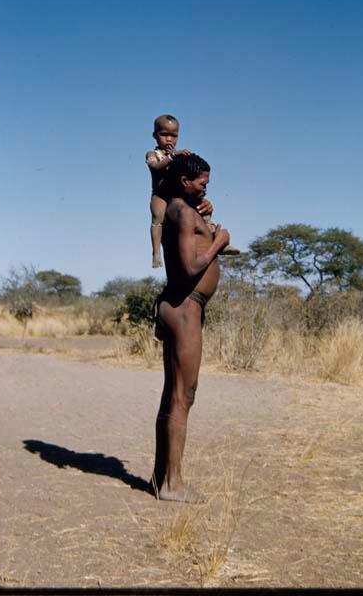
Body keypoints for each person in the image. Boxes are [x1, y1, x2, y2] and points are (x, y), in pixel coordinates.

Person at [150, 153, 230, 503]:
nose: (205, 187)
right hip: (184, 310)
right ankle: (173, 485)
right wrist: (218, 242)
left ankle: (159, 478)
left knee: (173, 396)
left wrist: (207, 224)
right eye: (201, 183)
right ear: (184, 182)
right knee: (184, 397)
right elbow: (188, 266)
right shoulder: (181, 214)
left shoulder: (184, 211)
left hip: (182, 308)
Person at [145, 114, 239, 268]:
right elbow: (155, 166)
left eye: (173, 136)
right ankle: (156, 253)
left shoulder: (178, 154)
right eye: (164, 134)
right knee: (157, 219)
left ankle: (216, 237)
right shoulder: (153, 154)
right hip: (161, 194)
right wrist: (172, 156)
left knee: (204, 208)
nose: (169, 139)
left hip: (177, 193)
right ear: (155, 136)